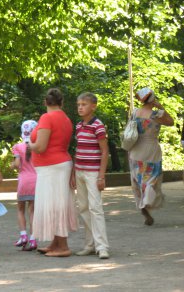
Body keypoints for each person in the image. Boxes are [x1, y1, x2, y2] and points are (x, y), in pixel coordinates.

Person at [28, 87, 77, 257]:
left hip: (51, 168)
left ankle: (63, 246)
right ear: (61, 102)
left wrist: (29, 144)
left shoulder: (46, 118)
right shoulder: (66, 119)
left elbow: (40, 147)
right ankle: (55, 243)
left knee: (54, 205)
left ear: (45, 102)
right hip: (60, 164)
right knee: (58, 203)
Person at [71, 92, 110, 259]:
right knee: (83, 207)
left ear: (93, 106)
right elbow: (78, 150)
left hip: (93, 173)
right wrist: (73, 173)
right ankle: (90, 244)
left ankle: (102, 246)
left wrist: (101, 176)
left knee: (96, 208)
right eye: (78, 104)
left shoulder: (98, 126)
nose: (80, 107)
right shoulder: (79, 126)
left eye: (84, 104)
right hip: (79, 171)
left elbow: (104, 151)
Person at [129, 87, 174, 225]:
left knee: (138, 179)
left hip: (135, 149)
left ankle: (143, 203)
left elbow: (129, 130)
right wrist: (160, 106)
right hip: (151, 150)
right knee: (152, 178)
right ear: (152, 99)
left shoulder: (135, 112)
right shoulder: (156, 115)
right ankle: (147, 202)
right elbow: (171, 122)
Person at [11, 120, 38, 251]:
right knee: (32, 211)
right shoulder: (38, 147)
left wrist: (12, 165)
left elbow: (16, 164)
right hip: (36, 182)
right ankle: (33, 238)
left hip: (23, 182)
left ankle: (23, 236)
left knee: (20, 209)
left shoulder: (17, 147)